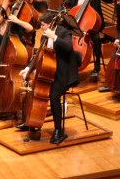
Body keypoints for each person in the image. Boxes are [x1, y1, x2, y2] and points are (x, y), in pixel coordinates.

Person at [18, 11, 80, 144]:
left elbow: (69, 48)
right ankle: (31, 122)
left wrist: (55, 37)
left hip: (63, 74)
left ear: (52, 24)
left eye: (44, 24)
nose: (41, 27)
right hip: (49, 72)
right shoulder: (44, 37)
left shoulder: (64, 33)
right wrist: (28, 68)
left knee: (53, 96)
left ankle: (59, 130)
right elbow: (39, 55)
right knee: (33, 90)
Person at [66, 0, 111, 78]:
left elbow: (109, 0)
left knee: (96, 39)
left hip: (92, 26)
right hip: (76, 25)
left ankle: (96, 66)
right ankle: (68, 64)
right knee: (63, 37)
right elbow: (66, 5)